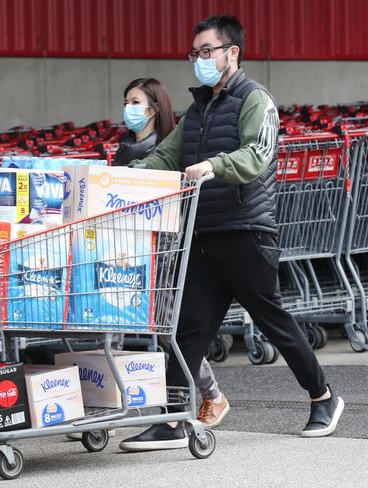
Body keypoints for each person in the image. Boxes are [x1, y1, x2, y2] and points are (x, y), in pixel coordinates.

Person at [119, 15, 344, 452]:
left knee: (273, 322)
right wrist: (120, 176)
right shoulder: (198, 110)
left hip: (246, 232)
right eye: (194, 53)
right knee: (187, 330)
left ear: (231, 53)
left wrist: (214, 165)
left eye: (207, 51)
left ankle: (324, 399)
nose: (199, 60)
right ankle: (172, 420)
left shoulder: (256, 100)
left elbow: (257, 154)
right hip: (204, 235)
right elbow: (164, 156)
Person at [116, 77, 230, 429]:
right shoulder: (124, 149)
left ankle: (212, 394)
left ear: (152, 108)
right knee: (111, 324)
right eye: (126, 101)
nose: (129, 108)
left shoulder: (164, 150)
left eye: (135, 102)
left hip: (163, 248)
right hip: (124, 248)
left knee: (168, 330)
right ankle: (109, 405)